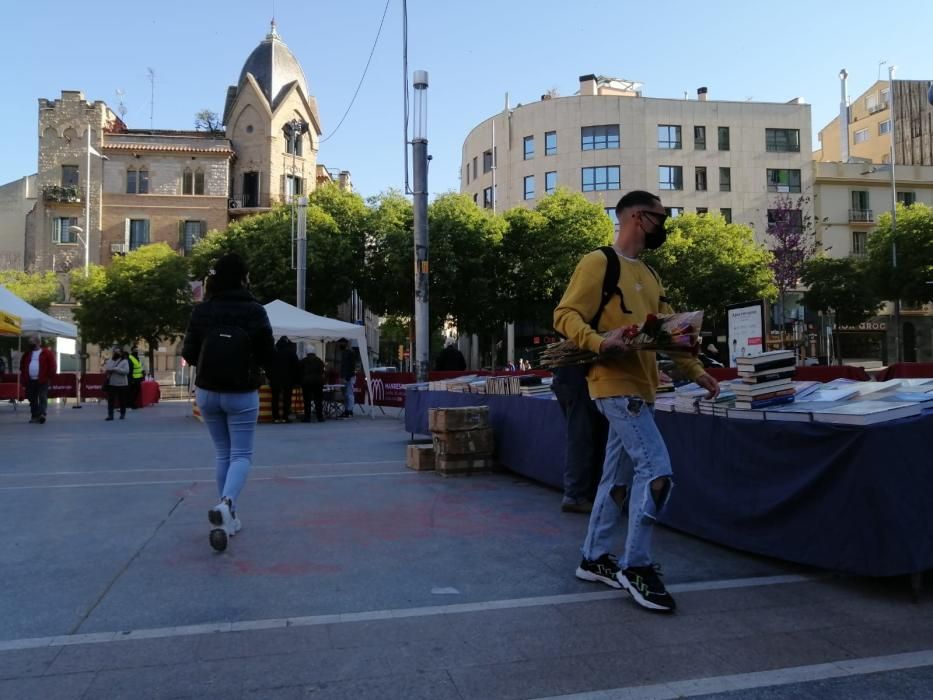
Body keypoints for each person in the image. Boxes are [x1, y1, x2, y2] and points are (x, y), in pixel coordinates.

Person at [554, 190, 719, 613]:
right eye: (659, 218)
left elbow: (671, 332)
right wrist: (597, 341)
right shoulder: (598, 262)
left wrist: (697, 372)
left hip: (643, 387)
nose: (664, 225)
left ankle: (593, 557)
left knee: (617, 478)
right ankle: (636, 565)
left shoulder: (650, 274)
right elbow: (565, 314)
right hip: (613, 385)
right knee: (657, 470)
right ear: (636, 218)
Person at [182, 253, 275, 553]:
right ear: (243, 277)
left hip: (207, 391)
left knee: (223, 452)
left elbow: (190, 351)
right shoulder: (255, 310)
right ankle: (227, 504)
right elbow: (267, 353)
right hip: (242, 392)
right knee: (242, 454)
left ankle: (227, 519)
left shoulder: (202, 311)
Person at [551, 365, 608, 514]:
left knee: (585, 437)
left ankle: (581, 494)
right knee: (581, 438)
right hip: (579, 382)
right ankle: (576, 495)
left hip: (573, 380)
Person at [19, 334, 55, 424]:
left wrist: (49, 376)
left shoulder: (46, 352)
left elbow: (52, 365)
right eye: (30, 342)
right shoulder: (27, 354)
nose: (30, 344)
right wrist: (24, 377)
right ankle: (35, 415)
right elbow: (22, 365)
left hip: (43, 379)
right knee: (32, 398)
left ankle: (42, 414)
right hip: (30, 380)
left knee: (42, 396)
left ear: (38, 343)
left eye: (32, 342)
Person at [269, 336, 299, 423]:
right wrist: (295, 379)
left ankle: (275, 417)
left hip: (275, 379)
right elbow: (296, 366)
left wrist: (270, 376)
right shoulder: (291, 352)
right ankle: (286, 417)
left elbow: (267, 365)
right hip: (288, 379)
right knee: (287, 398)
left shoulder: (273, 352)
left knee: (275, 398)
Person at [298, 346, 326, 423]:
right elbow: (322, 371)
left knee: (307, 401)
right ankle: (320, 417)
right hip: (318, 382)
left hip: (306, 383)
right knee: (318, 400)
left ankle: (307, 418)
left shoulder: (303, 361)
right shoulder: (319, 361)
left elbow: (299, 372)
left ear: (307, 353)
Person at [102, 346, 129, 421]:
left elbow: (126, 371)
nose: (116, 353)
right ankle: (110, 415)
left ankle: (122, 414)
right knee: (111, 400)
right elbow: (106, 368)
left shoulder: (124, 361)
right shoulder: (110, 360)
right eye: (115, 352)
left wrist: (116, 369)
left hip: (122, 384)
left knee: (122, 400)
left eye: (118, 352)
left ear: (121, 353)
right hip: (112, 383)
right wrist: (108, 369)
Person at [337, 338, 358, 418]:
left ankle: (349, 410)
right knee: (347, 395)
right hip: (347, 376)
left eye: (340, 343)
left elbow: (349, 367)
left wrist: (346, 377)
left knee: (349, 394)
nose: (339, 345)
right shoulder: (346, 353)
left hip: (348, 377)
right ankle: (347, 410)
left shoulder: (348, 353)